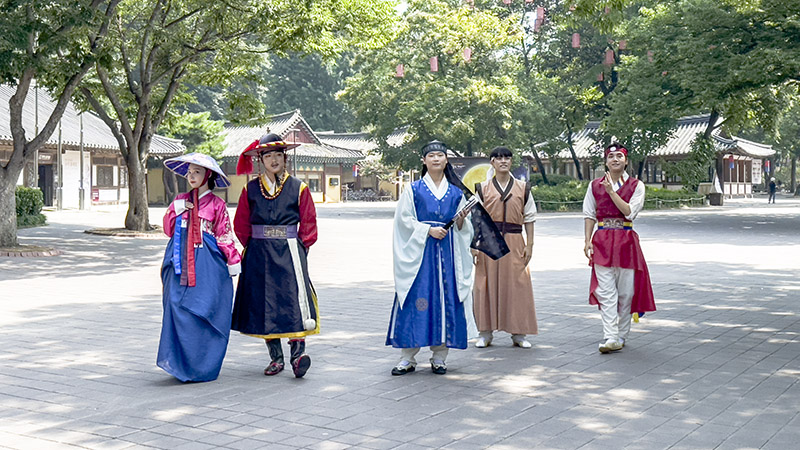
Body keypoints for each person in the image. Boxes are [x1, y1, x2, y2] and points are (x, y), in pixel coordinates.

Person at [231, 133, 319, 378]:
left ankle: (297, 356)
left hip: (290, 250)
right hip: (259, 252)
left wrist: (302, 248)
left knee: (293, 300)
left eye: (277, 155)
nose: (273, 160)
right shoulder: (250, 189)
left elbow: (309, 222)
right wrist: (253, 247)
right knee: (264, 302)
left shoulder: (298, 188)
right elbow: (241, 224)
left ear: (285, 158)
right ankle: (276, 358)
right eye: (268, 155)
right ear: (261, 160)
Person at [387, 140, 476, 376]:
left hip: (447, 252)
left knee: (446, 300)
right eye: (431, 156)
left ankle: (439, 356)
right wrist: (427, 230)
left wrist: (460, 219)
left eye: (440, 155)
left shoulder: (457, 192)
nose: (436, 159)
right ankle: (408, 357)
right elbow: (404, 221)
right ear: (424, 161)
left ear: (447, 160)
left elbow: (463, 227)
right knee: (418, 298)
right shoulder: (413, 189)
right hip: (421, 255)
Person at [157, 153, 241, 382]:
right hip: (178, 259)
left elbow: (224, 235)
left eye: (197, 172)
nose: (191, 176)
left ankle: (202, 365)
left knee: (204, 307)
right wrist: (176, 208)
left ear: (208, 175)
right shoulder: (181, 198)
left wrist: (233, 260)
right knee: (176, 306)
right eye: (190, 172)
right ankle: (180, 363)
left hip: (207, 262)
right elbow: (167, 228)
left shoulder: (217, 204)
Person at [583, 143, 655, 353]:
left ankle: (621, 334)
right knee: (606, 292)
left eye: (619, 156)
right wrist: (587, 240)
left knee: (626, 293)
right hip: (603, 240)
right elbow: (589, 213)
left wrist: (611, 192)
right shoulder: (594, 185)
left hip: (625, 241)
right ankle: (610, 336)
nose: (615, 160)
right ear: (606, 161)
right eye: (611, 156)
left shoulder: (636, 185)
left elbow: (629, 212)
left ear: (626, 161)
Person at [472, 146, 538, 349]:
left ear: (511, 162)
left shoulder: (522, 187)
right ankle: (485, 332)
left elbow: (530, 217)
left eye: (507, 158)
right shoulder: (482, 188)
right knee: (485, 284)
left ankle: (519, 332)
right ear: (492, 162)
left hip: (515, 239)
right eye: (498, 158)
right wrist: (474, 246)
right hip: (488, 241)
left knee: (518, 284)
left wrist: (530, 244)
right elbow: (476, 219)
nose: (503, 161)